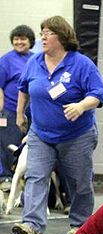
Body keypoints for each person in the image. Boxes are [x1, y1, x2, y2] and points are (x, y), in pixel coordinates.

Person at [12, 15, 103, 234]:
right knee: (36, 176)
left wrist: (81, 106)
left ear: (62, 37)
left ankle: (81, 225)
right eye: (42, 32)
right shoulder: (35, 62)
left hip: (77, 135)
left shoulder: (81, 64)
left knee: (79, 182)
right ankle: (32, 225)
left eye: (48, 33)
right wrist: (19, 114)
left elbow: (98, 93)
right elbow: (24, 88)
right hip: (41, 133)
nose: (42, 37)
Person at [0, 25, 35, 188]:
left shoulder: (36, 59)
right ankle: (6, 177)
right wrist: (1, 111)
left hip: (33, 112)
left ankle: (26, 180)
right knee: (8, 145)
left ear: (30, 41)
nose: (19, 42)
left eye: (23, 39)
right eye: (16, 39)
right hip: (10, 110)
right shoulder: (6, 60)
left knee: (27, 146)